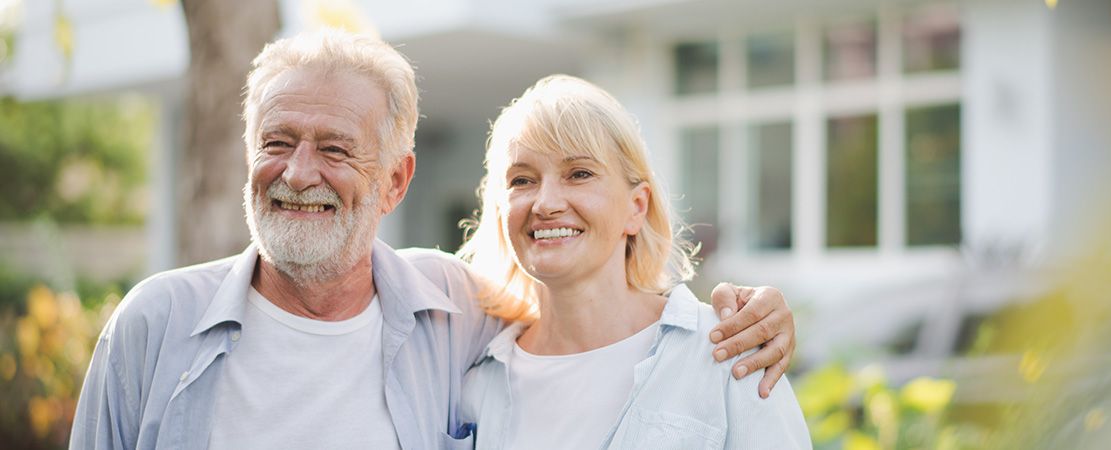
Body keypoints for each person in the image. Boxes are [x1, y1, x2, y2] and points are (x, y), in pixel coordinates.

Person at [69, 30, 797, 449]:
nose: (298, 172)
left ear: (394, 181)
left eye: (334, 148)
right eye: (277, 141)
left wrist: (754, 314)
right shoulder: (153, 327)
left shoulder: (447, 317)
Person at [457, 75, 810, 449]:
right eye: (522, 180)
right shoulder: (477, 386)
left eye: (579, 174)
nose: (546, 203)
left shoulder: (726, 352)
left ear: (636, 207)